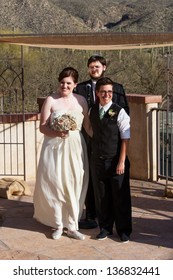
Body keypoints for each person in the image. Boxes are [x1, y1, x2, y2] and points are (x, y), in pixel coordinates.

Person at [33, 67, 93, 241]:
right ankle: (59, 224)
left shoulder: (81, 100)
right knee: (56, 185)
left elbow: (87, 126)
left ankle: (73, 226)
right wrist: (57, 132)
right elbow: (43, 126)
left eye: (68, 83)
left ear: (75, 84)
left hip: (75, 147)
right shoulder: (51, 100)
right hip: (54, 147)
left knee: (75, 184)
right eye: (62, 82)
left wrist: (103, 142)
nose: (64, 85)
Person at [75, 55, 129, 229]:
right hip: (87, 142)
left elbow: (124, 119)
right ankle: (92, 215)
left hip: (111, 145)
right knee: (93, 182)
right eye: (91, 66)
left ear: (104, 67)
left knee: (114, 188)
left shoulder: (118, 88)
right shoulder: (80, 89)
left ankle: (118, 224)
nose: (94, 69)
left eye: (97, 66)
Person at [89, 77, 132, 243]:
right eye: (103, 91)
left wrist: (121, 161)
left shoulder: (119, 112)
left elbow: (125, 139)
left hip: (115, 161)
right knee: (102, 197)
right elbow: (91, 131)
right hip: (97, 162)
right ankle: (105, 228)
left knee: (120, 197)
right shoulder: (92, 110)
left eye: (109, 92)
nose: (107, 94)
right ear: (97, 93)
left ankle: (123, 230)